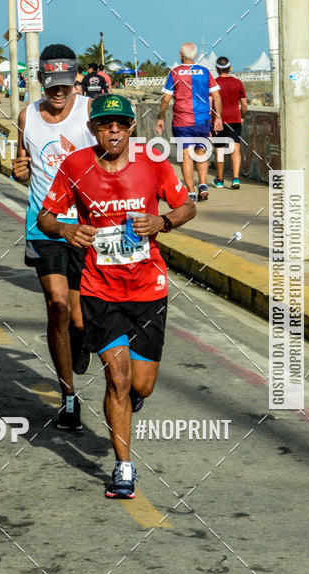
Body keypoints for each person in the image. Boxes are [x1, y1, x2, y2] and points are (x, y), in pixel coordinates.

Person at [37, 94, 195, 498]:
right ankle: (124, 466)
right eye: (105, 124)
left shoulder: (153, 162)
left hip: (148, 288)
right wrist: (67, 230)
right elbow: (46, 217)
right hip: (99, 288)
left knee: (142, 385)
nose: (113, 130)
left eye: (121, 124)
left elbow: (187, 206)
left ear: (131, 128)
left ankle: (131, 399)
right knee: (118, 378)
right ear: (93, 129)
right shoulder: (76, 166)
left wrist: (163, 221)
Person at [12, 43, 96, 430]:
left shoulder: (90, 111)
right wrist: (19, 172)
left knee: (80, 317)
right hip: (44, 223)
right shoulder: (26, 116)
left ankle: (81, 336)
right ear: (40, 80)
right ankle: (68, 397)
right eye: (51, 85)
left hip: (86, 226)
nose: (58, 92)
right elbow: (22, 165)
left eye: (65, 84)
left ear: (75, 79)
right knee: (57, 306)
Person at [156, 42, 222, 202]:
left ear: (180, 55)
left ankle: (191, 192)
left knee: (186, 155)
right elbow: (216, 96)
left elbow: (165, 99)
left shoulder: (174, 73)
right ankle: (203, 185)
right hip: (202, 120)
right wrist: (218, 117)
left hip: (181, 121)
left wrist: (161, 117)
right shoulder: (205, 72)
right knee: (201, 152)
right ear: (196, 55)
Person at [212, 56, 247, 189]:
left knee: (219, 150)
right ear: (229, 68)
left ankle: (220, 180)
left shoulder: (214, 83)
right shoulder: (237, 82)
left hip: (218, 120)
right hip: (234, 119)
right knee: (235, 149)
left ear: (217, 69)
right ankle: (236, 179)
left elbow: (210, 104)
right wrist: (241, 116)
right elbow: (244, 104)